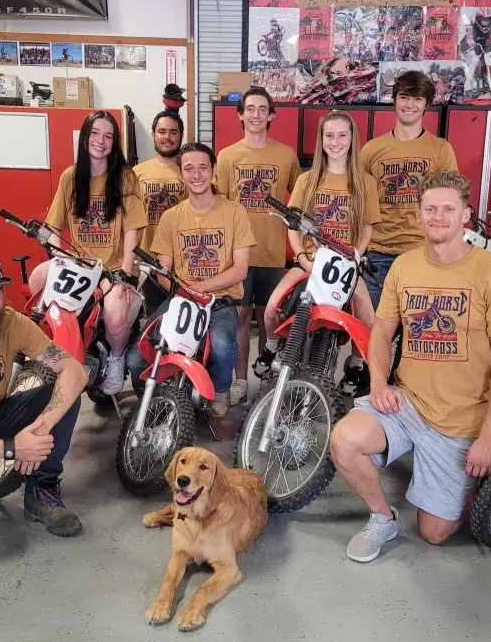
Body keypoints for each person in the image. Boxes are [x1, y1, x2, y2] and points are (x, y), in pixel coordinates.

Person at [330, 170, 491, 563]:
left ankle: (466, 480)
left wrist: (489, 436)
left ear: (465, 215)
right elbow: (381, 333)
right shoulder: (404, 266)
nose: (438, 217)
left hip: (461, 419)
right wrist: (378, 384)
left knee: (434, 533)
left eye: (448, 209)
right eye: (430, 209)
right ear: (418, 215)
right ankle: (383, 518)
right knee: (344, 440)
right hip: (409, 403)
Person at [0, 254, 88, 538]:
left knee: (63, 396)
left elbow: (74, 371)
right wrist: (12, 449)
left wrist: (42, 428)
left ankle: (41, 490)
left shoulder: (11, 322)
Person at [253, 111, 380, 392]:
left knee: (370, 321)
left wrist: (355, 256)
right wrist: (301, 257)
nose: (335, 142)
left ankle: (355, 364)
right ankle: (271, 346)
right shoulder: (307, 180)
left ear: (352, 139)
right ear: (321, 140)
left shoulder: (365, 182)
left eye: (342, 135)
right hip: (309, 260)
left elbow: (367, 227)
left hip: (345, 265)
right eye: (329, 135)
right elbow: (293, 226)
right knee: (272, 308)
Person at [127, 142, 254, 418]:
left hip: (220, 301)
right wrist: (181, 292)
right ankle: (157, 398)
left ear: (214, 171)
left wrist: (198, 290)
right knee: (136, 358)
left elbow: (240, 270)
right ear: (181, 174)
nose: (196, 175)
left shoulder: (235, 212)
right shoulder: (171, 217)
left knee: (222, 345)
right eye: (189, 169)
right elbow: (163, 270)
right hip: (182, 301)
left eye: (203, 168)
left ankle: (221, 389)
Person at [29, 110, 147, 396]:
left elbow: (133, 231)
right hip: (79, 265)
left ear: (115, 142)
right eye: (94, 133)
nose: (100, 141)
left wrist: (125, 274)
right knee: (37, 279)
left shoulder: (125, 177)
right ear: (84, 137)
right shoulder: (70, 177)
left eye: (108, 136)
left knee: (115, 315)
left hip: (113, 267)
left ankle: (116, 357)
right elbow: (53, 226)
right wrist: (60, 257)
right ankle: (59, 347)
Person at [215, 87, 301, 405]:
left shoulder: (286, 155)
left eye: (262, 109)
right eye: (250, 108)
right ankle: (240, 381)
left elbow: (301, 195)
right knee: (240, 317)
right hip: (238, 255)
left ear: (271, 115)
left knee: (269, 319)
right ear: (240, 115)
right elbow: (220, 206)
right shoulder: (227, 156)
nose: (256, 114)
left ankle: (266, 381)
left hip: (272, 252)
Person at [360, 70, 458, 309]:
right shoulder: (371, 150)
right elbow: (359, 202)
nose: (410, 105)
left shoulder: (441, 149)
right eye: (404, 97)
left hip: (423, 251)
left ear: (426, 104)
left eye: (417, 99)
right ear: (394, 100)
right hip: (378, 253)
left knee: (415, 326)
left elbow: (452, 202)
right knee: (371, 327)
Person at [133, 110, 186, 312]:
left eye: (173, 132)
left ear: (181, 136)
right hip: (148, 260)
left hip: (183, 260)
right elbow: (129, 220)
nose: (167, 137)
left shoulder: (189, 171)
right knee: (154, 317)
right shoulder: (137, 173)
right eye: (162, 131)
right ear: (153, 134)